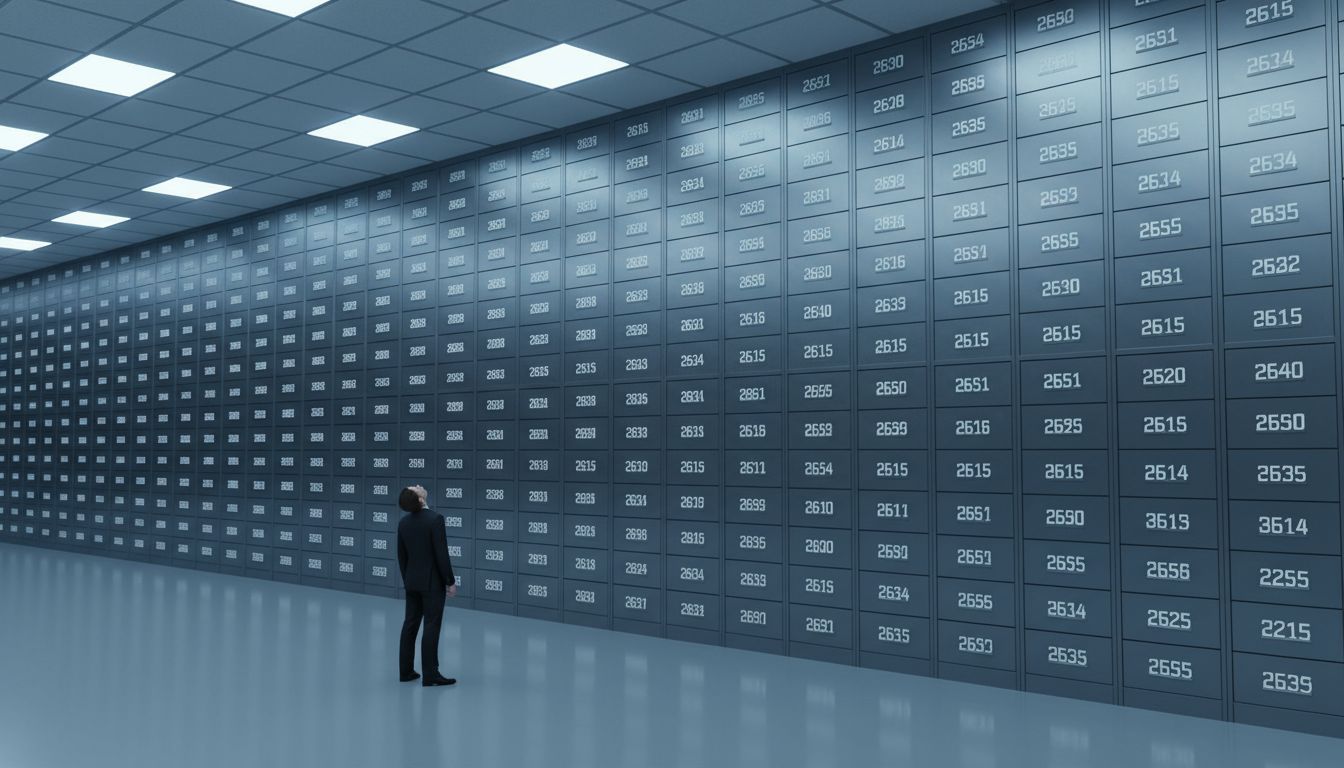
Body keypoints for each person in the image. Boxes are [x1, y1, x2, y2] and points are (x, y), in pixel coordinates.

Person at [396, 484, 457, 687]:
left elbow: (401, 557)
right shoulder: (435, 519)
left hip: (412, 582)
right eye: (416, 488)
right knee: (431, 625)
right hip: (432, 583)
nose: (419, 487)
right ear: (420, 499)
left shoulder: (403, 523)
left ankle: (405, 671)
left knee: (410, 624)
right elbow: (442, 555)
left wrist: (408, 580)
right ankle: (431, 674)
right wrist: (450, 581)